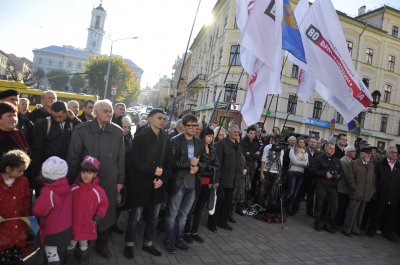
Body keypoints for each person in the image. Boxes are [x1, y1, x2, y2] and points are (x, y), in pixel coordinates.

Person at [67, 99, 125, 258]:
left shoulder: (118, 131)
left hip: (109, 180)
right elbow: (73, 156)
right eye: (105, 110)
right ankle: (82, 243)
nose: (109, 113)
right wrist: (71, 180)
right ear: (95, 113)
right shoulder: (81, 129)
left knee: (106, 212)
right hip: (85, 180)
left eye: (110, 110)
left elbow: (121, 158)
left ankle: (102, 244)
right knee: (84, 211)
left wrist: (120, 180)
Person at [124, 109, 172, 259]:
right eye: (159, 118)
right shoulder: (140, 137)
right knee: (135, 216)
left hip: (157, 185)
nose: (163, 121)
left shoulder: (166, 138)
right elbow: (134, 162)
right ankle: (129, 244)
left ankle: (148, 243)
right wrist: (152, 170)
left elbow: (169, 163)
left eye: (164, 118)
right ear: (150, 119)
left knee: (153, 217)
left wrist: (162, 179)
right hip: (141, 183)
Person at [164, 114, 202, 254]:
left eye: (195, 126)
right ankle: (169, 241)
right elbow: (172, 163)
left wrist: (198, 167)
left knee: (184, 215)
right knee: (172, 214)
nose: (193, 128)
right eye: (190, 126)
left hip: (192, 185)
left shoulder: (199, 142)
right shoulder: (175, 140)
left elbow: (203, 160)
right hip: (178, 183)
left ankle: (179, 239)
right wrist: (188, 164)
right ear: (183, 126)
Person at [31, 101, 81, 195]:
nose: (57, 119)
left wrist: (75, 119)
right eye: (55, 116)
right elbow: (37, 149)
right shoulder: (43, 123)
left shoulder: (73, 123)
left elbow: (83, 130)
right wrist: (39, 172)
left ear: (67, 112)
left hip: (66, 171)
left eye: (60, 116)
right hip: (47, 172)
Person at [68, 156, 109, 264]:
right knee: (71, 243)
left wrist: (97, 218)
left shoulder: (98, 191)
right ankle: (69, 259)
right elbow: (66, 205)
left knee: (84, 243)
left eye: (90, 173)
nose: (86, 175)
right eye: (84, 172)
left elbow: (104, 205)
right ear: (80, 172)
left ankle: (82, 260)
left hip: (88, 224)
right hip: (73, 224)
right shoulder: (73, 189)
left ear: (95, 174)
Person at [33, 156, 72, 265]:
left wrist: (33, 207)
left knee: (51, 257)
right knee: (61, 253)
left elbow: (38, 211)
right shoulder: (67, 186)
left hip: (52, 232)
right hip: (67, 229)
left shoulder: (48, 192)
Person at [207, 125, 246, 232]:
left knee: (227, 203)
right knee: (218, 202)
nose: (236, 133)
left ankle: (222, 222)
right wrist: (216, 181)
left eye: (238, 132)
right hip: (223, 180)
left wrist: (243, 169)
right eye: (234, 131)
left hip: (234, 180)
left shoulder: (237, 144)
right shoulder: (221, 144)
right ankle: (212, 223)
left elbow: (240, 160)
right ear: (228, 132)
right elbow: (217, 164)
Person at [184, 127, 219, 244]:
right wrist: (205, 166)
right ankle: (187, 232)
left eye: (212, 136)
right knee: (191, 208)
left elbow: (216, 165)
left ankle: (194, 232)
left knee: (200, 209)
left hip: (208, 183)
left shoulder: (213, 149)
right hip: (197, 181)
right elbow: (195, 164)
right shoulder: (197, 148)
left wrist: (205, 166)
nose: (211, 138)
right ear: (203, 136)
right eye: (209, 135)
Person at [0, 150, 31, 265]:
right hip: (2, 232)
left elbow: (26, 201)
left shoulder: (23, 182)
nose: (22, 173)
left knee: (16, 256)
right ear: (8, 169)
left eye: (24, 170)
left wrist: (26, 220)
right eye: (20, 171)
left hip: (18, 228)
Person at [367, 146, 400, 242]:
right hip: (381, 194)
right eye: (392, 152)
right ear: (387, 153)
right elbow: (375, 180)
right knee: (377, 214)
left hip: (394, 196)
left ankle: (387, 232)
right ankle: (371, 230)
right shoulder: (380, 164)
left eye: (396, 152)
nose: (394, 154)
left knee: (390, 216)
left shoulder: (398, 166)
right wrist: (375, 193)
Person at [311, 142, 343, 233]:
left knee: (334, 206)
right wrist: (325, 174)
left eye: (333, 149)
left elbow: (342, 172)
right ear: (325, 149)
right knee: (319, 205)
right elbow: (313, 170)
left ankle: (328, 223)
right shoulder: (319, 158)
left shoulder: (336, 160)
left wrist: (338, 176)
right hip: (322, 184)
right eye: (330, 148)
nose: (332, 150)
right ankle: (318, 223)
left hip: (332, 186)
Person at [342, 148, 375, 237]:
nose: (369, 156)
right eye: (367, 154)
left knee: (360, 213)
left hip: (366, 194)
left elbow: (373, 181)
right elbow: (350, 178)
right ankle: (347, 229)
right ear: (361, 154)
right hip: (356, 193)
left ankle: (355, 229)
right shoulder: (354, 163)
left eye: (370, 154)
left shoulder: (371, 166)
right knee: (352, 212)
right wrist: (354, 188)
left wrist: (371, 192)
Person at [335, 146, 356, 227]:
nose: (355, 153)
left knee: (344, 207)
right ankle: (336, 223)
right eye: (353, 151)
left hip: (346, 188)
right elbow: (347, 175)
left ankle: (339, 223)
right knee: (340, 206)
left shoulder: (350, 160)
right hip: (342, 188)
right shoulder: (344, 160)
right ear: (348, 152)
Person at [287, 137, 308, 215]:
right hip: (292, 172)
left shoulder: (306, 152)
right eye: (300, 142)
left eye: (303, 142)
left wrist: (299, 162)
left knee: (295, 193)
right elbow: (294, 161)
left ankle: (289, 208)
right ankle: (284, 206)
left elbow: (307, 164)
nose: (302, 144)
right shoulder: (293, 150)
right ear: (297, 143)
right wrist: (302, 162)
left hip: (301, 173)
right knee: (291, 191)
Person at [240, 126, 260, 200]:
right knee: (242, 186)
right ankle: (239, 204)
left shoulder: (256, 143)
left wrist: (249, 154)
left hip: (252, 167)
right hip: (244, 166)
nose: (253, 135)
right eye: (251, 133)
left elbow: (258, 156)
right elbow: (243, 155)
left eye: (254, 133)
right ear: (247, 133)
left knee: (249, 185)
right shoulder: (242, 141)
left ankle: (245, 201)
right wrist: (253, 154)